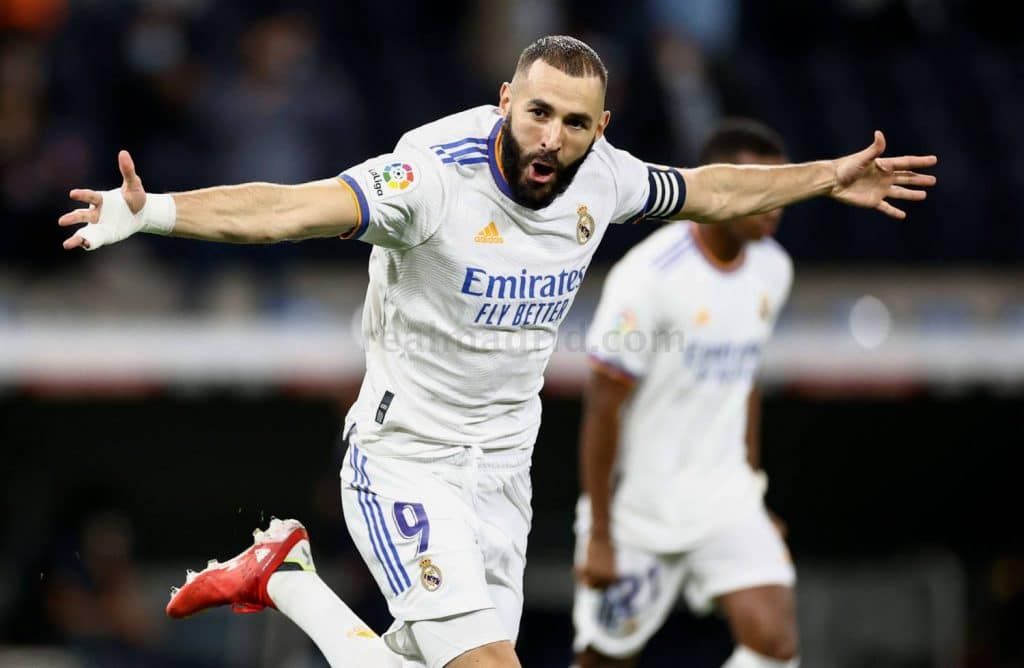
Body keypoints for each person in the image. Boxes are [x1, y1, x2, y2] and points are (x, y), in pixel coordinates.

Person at [58, 35, 936, 668]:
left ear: (600, 128)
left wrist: (827, 176)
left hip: (504, 471)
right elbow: (289, 209)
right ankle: (288, 581)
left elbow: (709, 190)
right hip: (407, 459)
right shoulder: (430, 177)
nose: (552, 138)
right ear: (508, 100)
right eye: (539, 112)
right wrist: (155, 211)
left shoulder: (606, 177)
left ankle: (285, 577)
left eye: (575, 123)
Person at [573, 119, 799, 668]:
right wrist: (601, 534)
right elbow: (602, 408)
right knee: (605, 659)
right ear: (721, 187)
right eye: (758, 188)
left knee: (775, 644)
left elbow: (744, 383)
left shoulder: (774, 270)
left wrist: (752, 488)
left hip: (725, 501)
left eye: (780, 187)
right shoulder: (647, 277)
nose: (774, 203)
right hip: (641, 511)